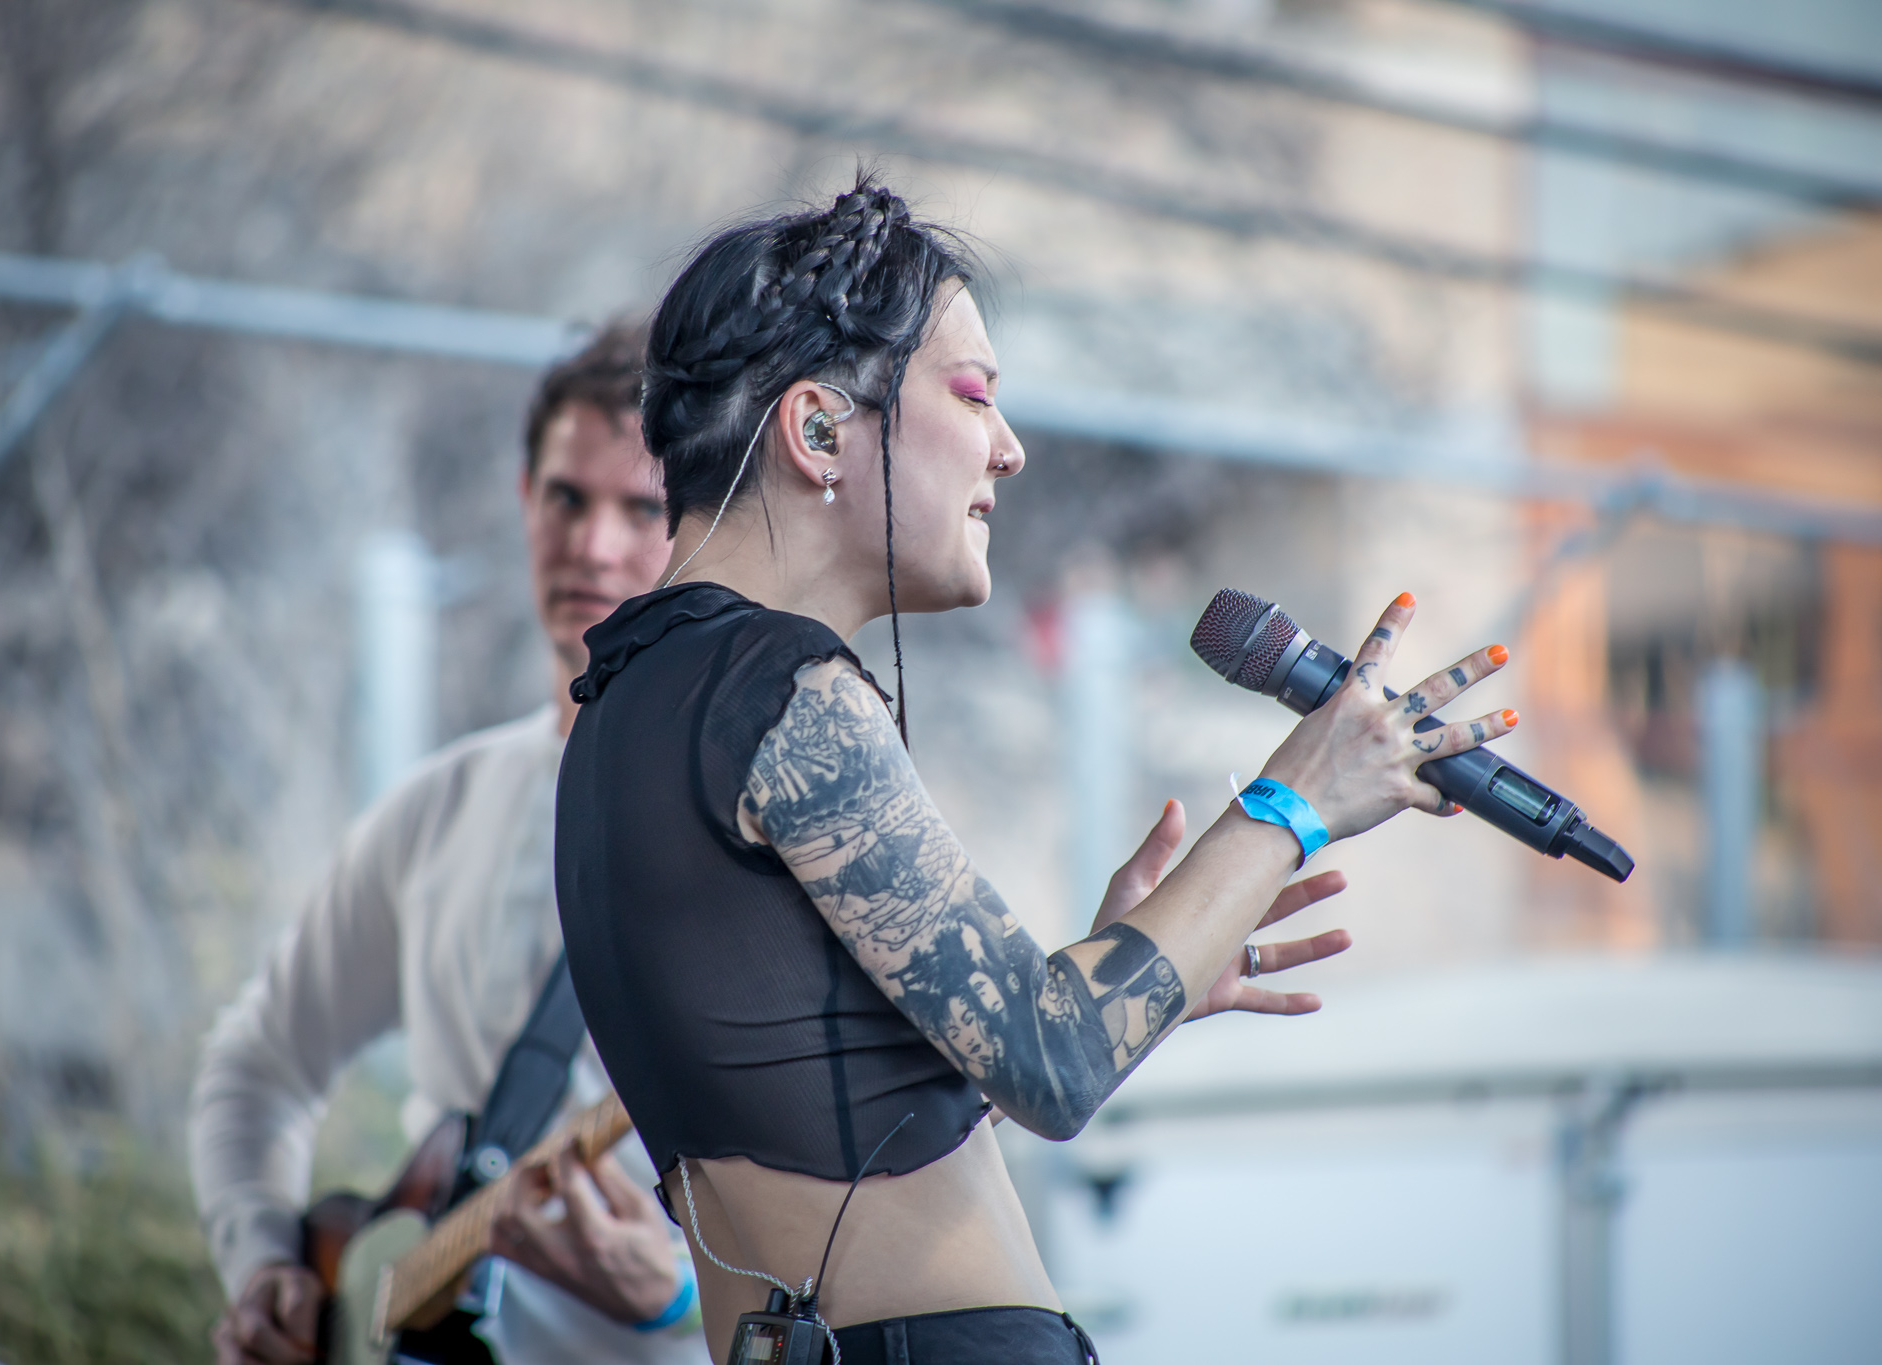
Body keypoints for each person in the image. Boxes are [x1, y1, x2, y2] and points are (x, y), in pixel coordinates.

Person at [554, 178, 1521, 1365]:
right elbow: (1052, 1062)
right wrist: (1293, 801)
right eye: (971, 395)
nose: (1007, 450)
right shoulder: (777, 689)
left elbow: (874, 1100)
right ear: (818, 432)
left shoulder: (621, 704)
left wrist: (1147, 973)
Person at [189, 324, 707, 1365]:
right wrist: (263, 1262)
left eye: (642, 509)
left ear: (702, 531)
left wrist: (682, 1299)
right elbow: (259, 1062)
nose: (592, 546)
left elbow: (860, 1216)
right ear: (524, 499)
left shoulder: (767, 840)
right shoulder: (439, 808)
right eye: (566, 498)